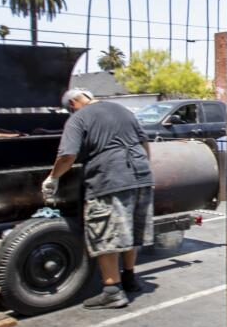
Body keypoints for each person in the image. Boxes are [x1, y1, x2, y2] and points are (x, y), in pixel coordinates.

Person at [43, 87, 154, 309]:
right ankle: (130, 278)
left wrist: (52, 178)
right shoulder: (123, 110)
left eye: (69, 109)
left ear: (73, 103)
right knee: (129, 230)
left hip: (110, 179)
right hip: (141, 176)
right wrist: (142, 170)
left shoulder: (78, 119)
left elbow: (67, 155)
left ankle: (112, 291)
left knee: (105, 232)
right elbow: (145, 144)